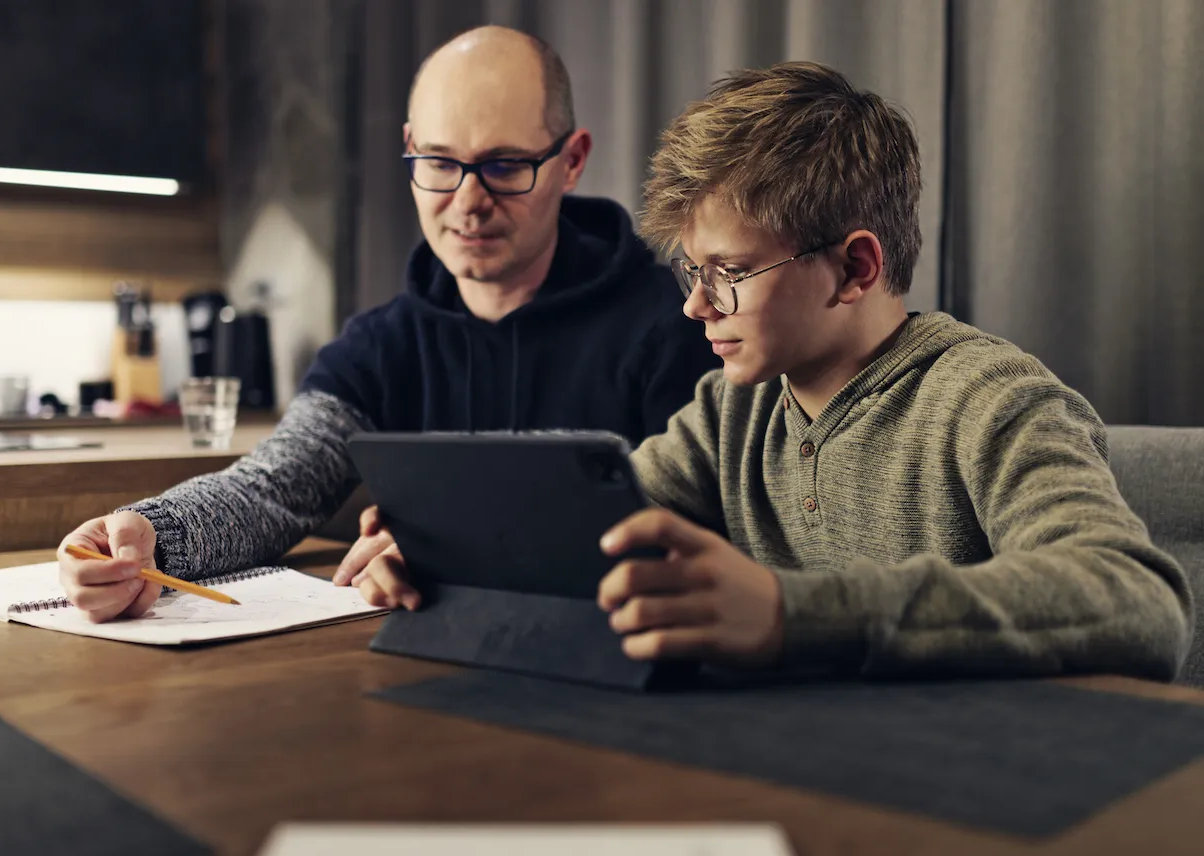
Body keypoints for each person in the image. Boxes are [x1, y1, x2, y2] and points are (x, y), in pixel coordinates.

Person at [353, 61, 1193, 681]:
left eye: (729, 272)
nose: (695, 307)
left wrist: (791, 614)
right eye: (691, 272)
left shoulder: (989, 402)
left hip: (982, 804)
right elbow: (578, 528)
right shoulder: (731, 412)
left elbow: (1138, 602)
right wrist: (438, 548)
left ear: (856, 267)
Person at [55, 26, 717, 622]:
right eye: (438, 163)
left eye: (505, 166)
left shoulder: (679, 323)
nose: (467, 203)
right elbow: (275, 488)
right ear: (409, 151)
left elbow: (696, 519)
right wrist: (147, 534)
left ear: (571, 160)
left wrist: (457, 538)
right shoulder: (380, 344)